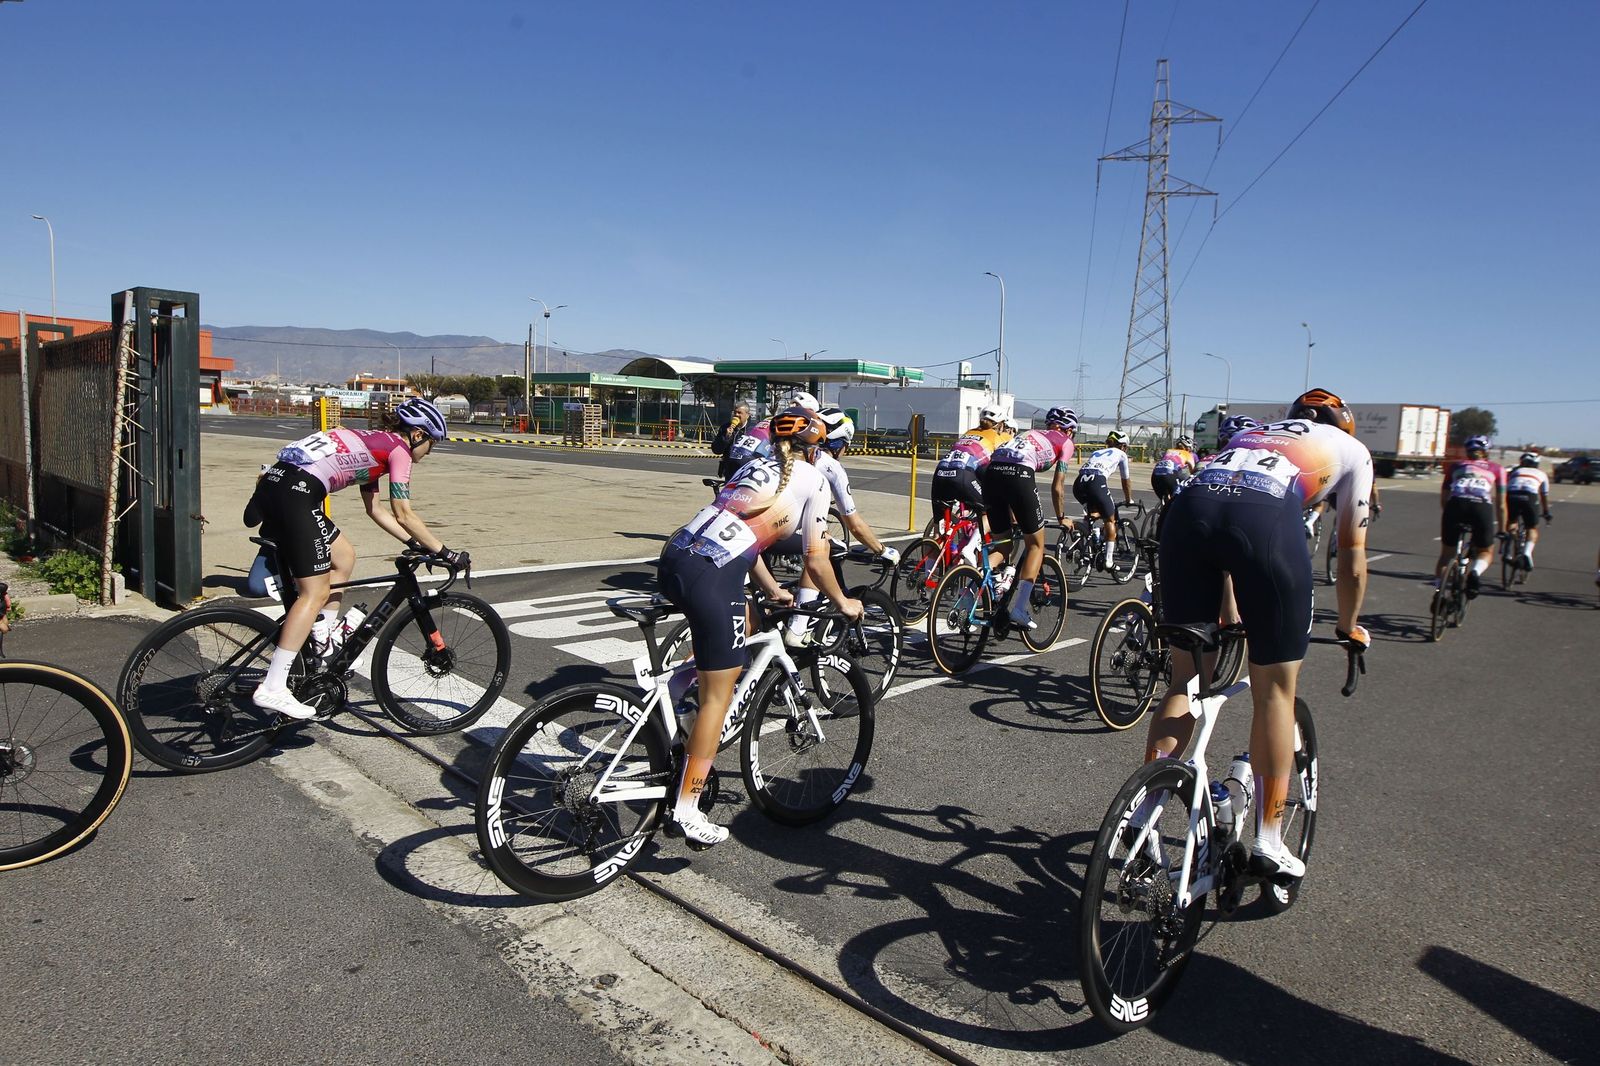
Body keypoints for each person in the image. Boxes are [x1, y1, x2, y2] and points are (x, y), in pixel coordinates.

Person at [1144, 387, 1374, 878]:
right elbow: (1351, 555)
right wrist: (1350, 625)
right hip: (1267, 519)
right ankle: (1270, 837)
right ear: (1344, 424)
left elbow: (1223, 521)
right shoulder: (1352, 451)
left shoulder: (1251, 433)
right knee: (1275, 693)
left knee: (1185, 680)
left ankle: (1143, 816)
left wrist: (1227, 605)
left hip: (1190, 513)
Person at [658, 407, 863, 846]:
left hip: (678, 553)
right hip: (713, 573)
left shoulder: (756, 466)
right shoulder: (814, 480)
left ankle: (671, 696)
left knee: (737, 628)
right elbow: (816, 558)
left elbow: (745, 536)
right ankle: (687, 807)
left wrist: (770, 588)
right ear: (819, 446)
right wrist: (844, 601)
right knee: (721, 694)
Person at [246, 397, 459, 720]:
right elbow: (403, 512)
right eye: (432, 443)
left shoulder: (375, 444)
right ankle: (274, 686)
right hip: (298, 495)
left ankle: (322, 641)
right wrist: (444, 551)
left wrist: (416, 544)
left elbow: (375, 510)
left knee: (344, 556)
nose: (429, 453)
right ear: (417, 435)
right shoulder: (399, 452)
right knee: (314, 593)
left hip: (277, 485)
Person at [782, 406, 900, 645]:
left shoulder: (780, 454)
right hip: (784, 529)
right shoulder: (830, 466)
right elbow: (854, 524)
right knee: (822, 547)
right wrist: (882, 550)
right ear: (839, 443)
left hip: (756, 530)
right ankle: (800, 623)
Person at [981, 407, 1077, 630]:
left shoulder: (1031, 433)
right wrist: (1061, 517)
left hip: (992, 473)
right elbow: (1058, 486)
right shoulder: (1066, 442)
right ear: (1070, 430)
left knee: (1002, 545)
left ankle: (970, 590)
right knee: (1035, 545)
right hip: (1019, 474)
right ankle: (1020, 609)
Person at [1435, 435, 1506, 599]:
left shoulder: (1455, 466)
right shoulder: (1497, 468)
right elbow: (1501, 504)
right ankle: (1475, 572)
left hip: (1455, 505)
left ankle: (1439, 592)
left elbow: (1444, 497)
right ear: (1486, 451)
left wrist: (1450, 515)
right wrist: (1502, 529)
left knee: (1447, 554)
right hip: (1481, 506)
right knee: (1486, 551)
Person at [930, 404, 1013, 536]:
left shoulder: (969, 433)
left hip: (939, 474)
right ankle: (969, 548)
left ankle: (933, 555)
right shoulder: (1000, 437)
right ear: (1000, 424)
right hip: (962, 475)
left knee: (938, 530)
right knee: (991, 513)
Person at [1073, 430, 1135, 571]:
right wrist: (1128, 499)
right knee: (1110, 519)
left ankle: (1088, 534)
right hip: (1096, 481)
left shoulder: (1098, 452)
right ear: (1124, 446)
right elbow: (1125, 480)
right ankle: (1108, 561)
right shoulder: (1121, 454)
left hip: (1079, 483)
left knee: (1093, 513)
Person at [1504, 452, 1552, 570]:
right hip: (1529, 496)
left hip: (1512, 495)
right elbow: (1544, 495)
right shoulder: (1542, 474)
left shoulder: (1515, 471)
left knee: (1512, 522)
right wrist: (1546, 512)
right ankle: (1527, 553)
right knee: (1531, 528)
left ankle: (1508, 548)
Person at [1151, 435, 1197, 506]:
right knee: (1176, 500)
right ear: (1188, 448)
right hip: (1170, 475)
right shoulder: (1188, 454)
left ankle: (1161, 512)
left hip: (1155, 475)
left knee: (1165, 502)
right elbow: (1193, 472)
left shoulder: (1169, 451)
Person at [710, 402, 751, 482]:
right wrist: (726, 437)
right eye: (735, 412)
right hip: (730, 472)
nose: (736, 415)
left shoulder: (752, 430)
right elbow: (716, 450)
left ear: (747, 415)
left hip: (747, 472)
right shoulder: (725, 428)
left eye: (739, 413)